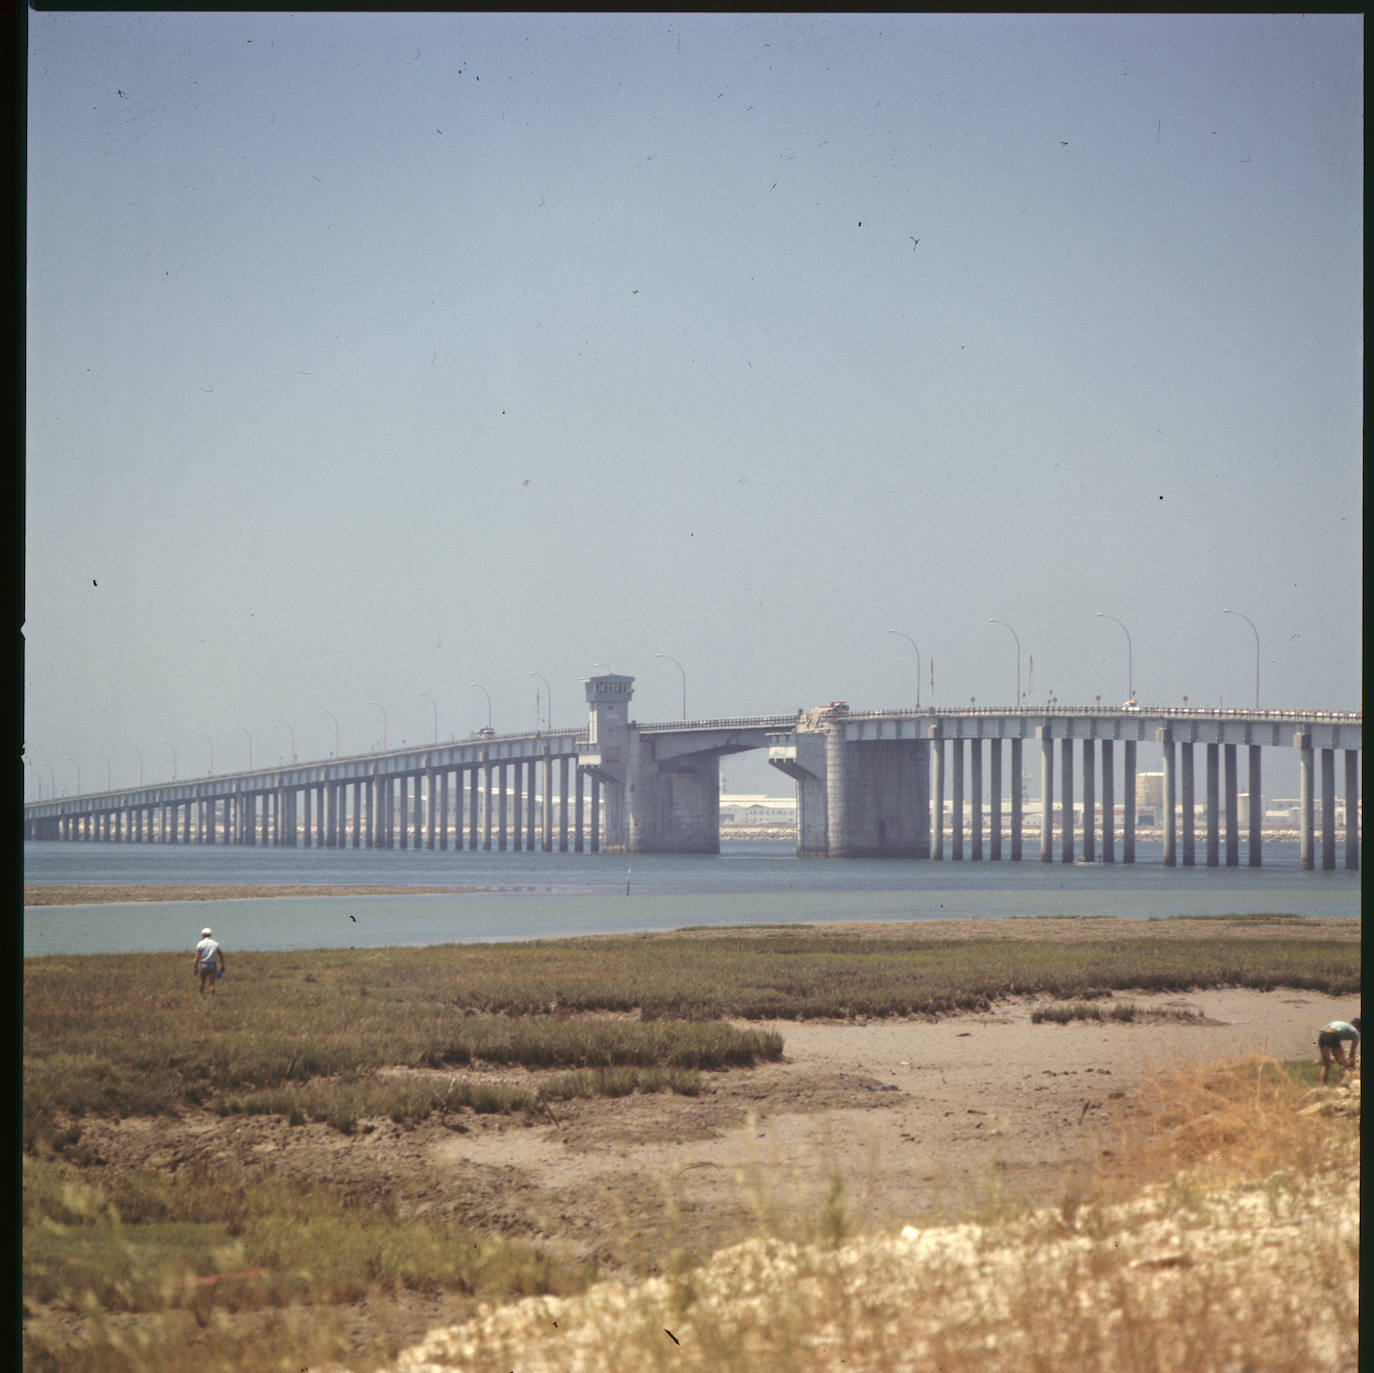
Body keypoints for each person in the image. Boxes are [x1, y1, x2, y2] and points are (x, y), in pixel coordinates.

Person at [1317, 1017, 1359, 1084]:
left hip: (1322, 1035)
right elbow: (1352, 1052)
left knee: (1326, 1063)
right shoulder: (1356, 1033)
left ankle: (1322, 1084)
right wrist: (1352, 1064)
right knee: (1342, 1061)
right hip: (1333, 1035)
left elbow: (1323, 1030)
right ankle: (1353, 1081)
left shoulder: (1343, 1025)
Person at [193, 927, 225, 995]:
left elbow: (197, 957)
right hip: (213, 965)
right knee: (212, 983)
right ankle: (213, 997)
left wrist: (195, 967)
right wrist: (222, 965)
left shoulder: (200, 944)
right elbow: (221, 955)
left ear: (203, 935)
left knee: (202, 982)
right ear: (210, 935)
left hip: (204, 965)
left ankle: (201, 996)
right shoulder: (215, 944)